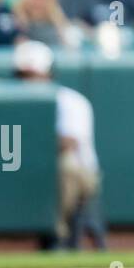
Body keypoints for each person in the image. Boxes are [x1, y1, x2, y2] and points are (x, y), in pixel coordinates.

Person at [13, 41, 106, 250]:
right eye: (23, 76)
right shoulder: (10, 102)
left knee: (66, 166)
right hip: (28, 170)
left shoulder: (70, 101)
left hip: (81, 174)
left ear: (49, 74)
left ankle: (56, 236)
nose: (29, 82)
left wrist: (27, 144)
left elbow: (67, 144)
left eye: (34, 75)